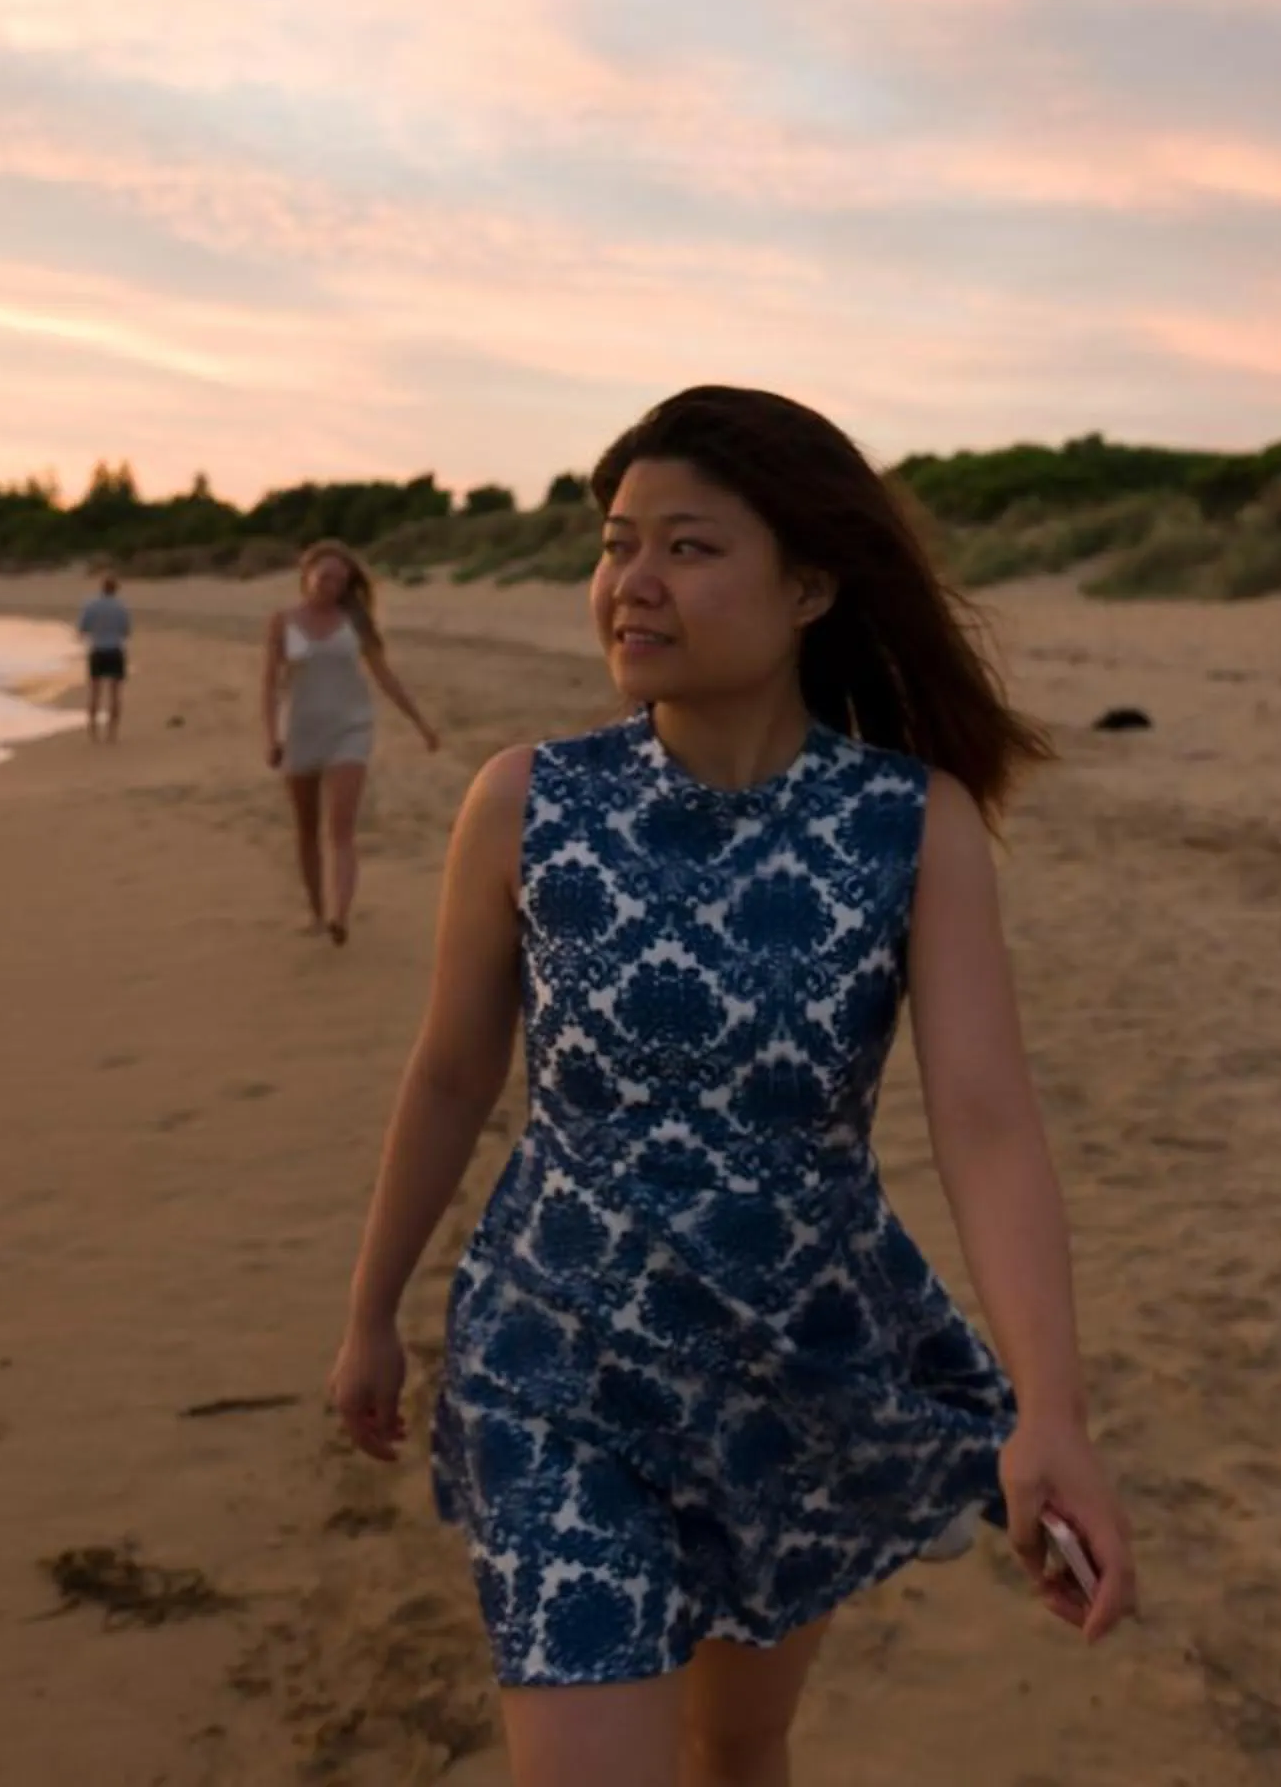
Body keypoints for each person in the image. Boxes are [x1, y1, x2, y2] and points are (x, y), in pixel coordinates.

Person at [323, 388, 1137, 1787]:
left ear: (810, 584)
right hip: (553, 1359)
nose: (630, 585)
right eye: (616, 544)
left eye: (688, 549)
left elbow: (986, 1125)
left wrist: (1051, 1410)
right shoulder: (528, 804)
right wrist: (371, 1313)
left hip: (792, 1368)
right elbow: (454, 1074)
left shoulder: (910, 825)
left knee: (738, 1752)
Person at [263, 539, 439, 944]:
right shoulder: (282, 621)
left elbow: (384, 676)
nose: (332, 586)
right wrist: (271, 735)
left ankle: (340, 916)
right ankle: (316, 911)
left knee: (340, 829)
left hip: (350, 729)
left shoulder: (354, 621)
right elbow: (269, 685)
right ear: (307, 575)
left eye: (341, 580)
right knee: (306, 829)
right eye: (325, 577)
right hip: (300, 732)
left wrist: (421, 724)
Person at [75, 572, 132, 743]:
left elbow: (83, 629)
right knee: (115, 693)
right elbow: (126, 632)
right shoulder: (121, 607)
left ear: (102, 587)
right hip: (115, 650)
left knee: (95, 692)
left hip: (98, 650)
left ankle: (93, 731)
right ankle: (112, 733)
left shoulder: (91, 605)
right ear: (115, 589)